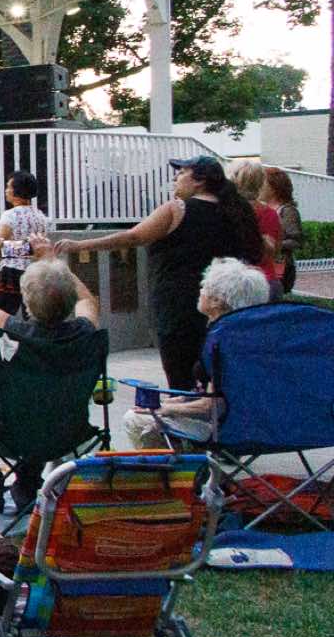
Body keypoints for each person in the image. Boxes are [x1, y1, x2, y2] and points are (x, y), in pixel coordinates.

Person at [54, 154, 263, 390]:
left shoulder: (177, 209)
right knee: (221, 378)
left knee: (181, 378)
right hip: (226, 305)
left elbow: (133, 237)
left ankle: (183, 408)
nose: (175, 178)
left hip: (178, 307)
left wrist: (80, 245)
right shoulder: (238, 211)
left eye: (182, 172)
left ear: (199, 181)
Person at [0, 233, 101, 512]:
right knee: (43, 405)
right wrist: (53, 261)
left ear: (27, 302)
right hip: (69, 431)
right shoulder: (84, 331)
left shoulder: (11, 330)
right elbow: (89, 300)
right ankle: (27, 486)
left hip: (12, 434)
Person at [122, 257, 270, 448]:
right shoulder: (255, 337)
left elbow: (213, 405)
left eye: (204, 287)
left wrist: (164, 409)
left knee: (135, 418)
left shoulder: (224, 342)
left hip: (227, 430)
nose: (199, 291)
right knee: (151, 410)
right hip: (266, 426)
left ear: (217, 301)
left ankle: (182, 466)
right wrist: (172, 403)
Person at [0, 171, 52, 315]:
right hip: (35, 271)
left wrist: (7, 249)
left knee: (3, 315)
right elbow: (39, 248)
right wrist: (30, 249)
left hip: (11, 271)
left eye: (9, 187)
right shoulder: (41, 217)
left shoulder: (9, 216)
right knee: (34, 314)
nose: (6, 190)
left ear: (17, 191)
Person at [232, 160, 287, 290]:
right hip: (266, 280)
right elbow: (275, 251)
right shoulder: (270, 214)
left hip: (238, 282)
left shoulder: (227, 210)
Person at [264, 166, 304, 294]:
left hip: (281, 267)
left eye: (263, 184)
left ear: (274, 188)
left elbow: (296, 240)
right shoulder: (263, 208)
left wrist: (273, 245)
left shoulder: (287, 211)